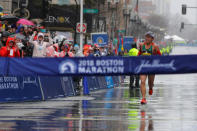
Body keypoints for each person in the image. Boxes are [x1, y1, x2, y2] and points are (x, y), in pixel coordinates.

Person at [138, 31, 161, 104]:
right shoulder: (141, 45)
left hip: (151, 67)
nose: (147, 38)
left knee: (150, 83)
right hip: (143, 66)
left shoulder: (155, 47)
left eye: (149, 37)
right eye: (146, 36)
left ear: (152, 39)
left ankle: (151, 87)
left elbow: (160, 57)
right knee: (142, 81)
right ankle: (144, 98)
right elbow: (138, 55)